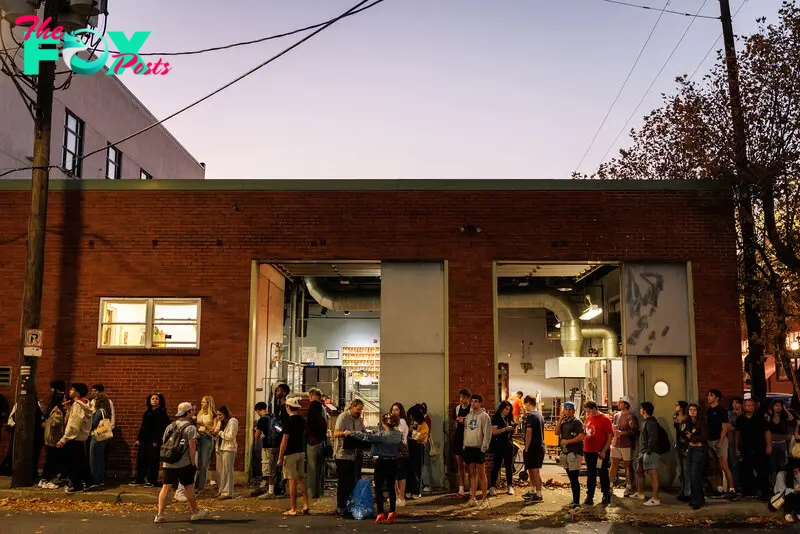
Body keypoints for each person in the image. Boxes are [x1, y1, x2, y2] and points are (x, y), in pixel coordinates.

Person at [154, 402, 208, 524]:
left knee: (165, 488)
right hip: (184, 463)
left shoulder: (170, 426)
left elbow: (164, 442)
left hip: (168, 463)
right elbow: (192, 447)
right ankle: (195, 513)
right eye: (191, 411)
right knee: (189, 487)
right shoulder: (191, 428)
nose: (193, 412)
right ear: (188, 413)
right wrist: (193, 462)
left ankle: (160, 515)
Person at [347, 412, 403, 524]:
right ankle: (392, 511)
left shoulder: (381, 436)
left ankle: (380, 512)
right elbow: (387, 436)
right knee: (391, 487)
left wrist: (351, 433)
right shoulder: (398, 434)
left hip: (382, 462)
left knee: (378, 488)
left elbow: (366, 437)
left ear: (384, 423)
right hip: (394, 461)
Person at [56, 383, 92, 493]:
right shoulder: (86, 404)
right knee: (81, 462)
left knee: (72, 464)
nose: (70, 391)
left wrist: (64, 439)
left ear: (77, 391)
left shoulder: (77, 405)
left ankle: (76, 485)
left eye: (72, 389)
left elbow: (74, 424)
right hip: (81, 438)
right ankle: (86, 482)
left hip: (74, 439)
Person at [333, 399, 366, 516]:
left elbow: (363, 432)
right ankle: (340, 506)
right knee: (344, 481)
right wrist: (345, 433)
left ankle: (351, 505)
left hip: (356, 454)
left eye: (361, 409)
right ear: (352, 407)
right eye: (358, 409)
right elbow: (335, 433)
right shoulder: (343, 417)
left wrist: (368, 434)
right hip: (343, 454)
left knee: (354, 481)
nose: (360, 412)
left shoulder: (360, 419)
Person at [278, 396, 309, 516]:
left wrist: (280, 457)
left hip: (290, 453)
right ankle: (305, 505)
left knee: (291, 481)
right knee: (301, 479)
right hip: (301, 451)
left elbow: (284, 440)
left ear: (287, 407)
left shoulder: (288, 422)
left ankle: (293, 508)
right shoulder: (302, 420)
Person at [735, 398, 771, 499]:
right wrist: (736, 448)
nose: (750, 407)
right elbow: (737, 434)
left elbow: (767, 431)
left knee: (762, 469)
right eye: (748, 405)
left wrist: (769, 445)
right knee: (746, 469)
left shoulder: (760, 418)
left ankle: (764, 491)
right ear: (744, 407)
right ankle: (748, 491)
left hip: (759, 446)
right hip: (746, 447)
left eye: (752, 405)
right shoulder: (740, 419)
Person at [133, 393, 169, 487]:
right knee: (142, 460)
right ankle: (140, 479)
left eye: (156, 399)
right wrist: (138, 439)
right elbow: (143, 426)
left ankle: (152, 480)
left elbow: (162, 428)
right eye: (152, 399)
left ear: (160, 401)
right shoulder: (148, 411)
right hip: (144, 440)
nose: (154, 400)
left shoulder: (161, 412)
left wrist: (157, 441)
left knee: (153, 461)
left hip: (154, 441)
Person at [462, 393, 491, 510]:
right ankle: (473, 498)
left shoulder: (484, 416)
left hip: (478, 448)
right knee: (471, 474)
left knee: (481, 474)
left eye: (476, 401)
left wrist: (483, 447)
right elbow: (466, 431)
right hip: (469, 447)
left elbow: (487, 433)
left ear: (480, 403)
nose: (473, 403)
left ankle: (484, 500)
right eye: (472, 401)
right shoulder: (468, 416)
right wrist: (465, 444)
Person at [706, 389, 736, 499]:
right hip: (710, 440)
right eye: (708, 395)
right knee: (715, 465)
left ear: (717, 397)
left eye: (711, 395)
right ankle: (719, 488)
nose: (709, 397)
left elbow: (725, 428)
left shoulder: (721, 411)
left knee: (724, 465)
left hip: (720, 440)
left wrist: (720, 441)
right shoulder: (709, 411)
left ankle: (732, 489)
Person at [583, 400, 613, 506]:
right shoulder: (589, 418)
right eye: (587, 412)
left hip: (600, 451)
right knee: (591, 474)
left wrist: (604, 450)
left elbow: (610, 436)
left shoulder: (605, 419)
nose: (588, 413)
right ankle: (590, 496)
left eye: (589, 411)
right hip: (589, 450)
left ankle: (606, 495)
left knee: (603, 473)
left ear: (594, 409)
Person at [555, 401, 585, 508]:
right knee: (571, 478)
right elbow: (556, 432)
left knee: (574, 478)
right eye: (565, 409)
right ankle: (574, 500)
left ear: (573, 411)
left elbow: (581, 436)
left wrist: (567, 442)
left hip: (574, 453)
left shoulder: (577, 422)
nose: (567, 411)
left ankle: (577, 502)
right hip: (565, 452)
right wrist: (560, 419)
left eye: (569, 409)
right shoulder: (564, 422)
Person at [40, 380, 68, 488]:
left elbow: (47, 415)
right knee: (53, 458)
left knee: (51, 457)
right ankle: (47, 479)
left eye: (51, 388)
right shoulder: (61, 401)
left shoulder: (56, 399)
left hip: (51, 435)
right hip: (56, 435)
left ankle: (45, 479)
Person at [610, 396, 639, 498]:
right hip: (616, 443)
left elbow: (634, 431)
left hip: (626, 444)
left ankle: (629, 486)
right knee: (614, 464)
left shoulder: (631, 416)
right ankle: (610, 485)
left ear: (626, 404)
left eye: (620, 403)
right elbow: (613, 426)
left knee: (627, 465)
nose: (618, 404)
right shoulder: (617, 415)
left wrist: (623, 433)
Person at [637, 401, 662, 507]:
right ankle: (640, 493)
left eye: (641, 408)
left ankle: (656, 498)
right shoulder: (647, 421)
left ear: (645, 410)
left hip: (650, 452)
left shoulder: (650, 422)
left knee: (653, 474)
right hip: (646, 451)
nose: (640, 410)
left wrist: (648, 450)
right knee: (640, 470)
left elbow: (653, 438)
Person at [489, 400, 516, 497]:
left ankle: (510, 485)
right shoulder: (496, 418)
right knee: (496, 466)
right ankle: (492, 487)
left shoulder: (509, 417)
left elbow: (513, 432)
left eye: (509, 410)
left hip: (508, 444)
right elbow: (494, 432)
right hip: (498, 444)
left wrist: (513, 427)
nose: (508, 411)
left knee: (509, 466)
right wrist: (506, 429)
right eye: (506, 409)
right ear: (501, 408)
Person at [681, 403, 706, 510]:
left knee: (695, 473)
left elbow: (703, 436)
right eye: (690, 409)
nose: (692, 411)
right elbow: (683, 434)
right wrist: (690, 439)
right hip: (690, 449)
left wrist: (692, 437)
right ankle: (698, 498)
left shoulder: (702, 423)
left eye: (694, 409)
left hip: (699, 450)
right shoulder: (687, 422)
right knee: (692, 475)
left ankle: (697, 500)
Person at [212, 405, 238, 499]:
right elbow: (217, 433)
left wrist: (219, 433)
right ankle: (221, 490)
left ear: (225, 414)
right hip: (220, 447)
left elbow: (230, 436)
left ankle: (227, 492)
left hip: (229, 448)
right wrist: (214, 433)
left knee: (227, 470)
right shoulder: (220, 422)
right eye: (217, 415)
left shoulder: (232, 421)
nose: (218, 417)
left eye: (220, 415)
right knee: (220, 471)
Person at [523, 395, 545, 503]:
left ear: (528, 403)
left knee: (535, 471)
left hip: (533, 448)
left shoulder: (531, 417)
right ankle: (532, 491)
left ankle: (539, 494)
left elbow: (529, 434)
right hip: (539, 446)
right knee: (532, 470)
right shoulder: (539, 415)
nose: (525, 406)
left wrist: (526, 448)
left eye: (525, 404)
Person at [306, 394, 328, 500]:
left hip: (312, 444)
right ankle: (320, 492)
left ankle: (311, 492)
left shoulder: (310, 419)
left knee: (312, 469)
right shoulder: (322, 420)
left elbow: (307, 430)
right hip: (321, 443)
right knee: (320, 469)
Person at [89, 393, 113, 489]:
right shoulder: (106, 411)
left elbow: (93, 424)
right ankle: (100, 479)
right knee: (100, 459)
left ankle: (95, 479)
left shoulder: (99, 411)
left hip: (96, 437)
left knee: (94, 459)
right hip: (103, 437)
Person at [766, 399, 794, 479]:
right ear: (773, 407)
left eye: (780, 406)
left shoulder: (784, 417)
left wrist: (786, 409)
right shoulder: (769, 418)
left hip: (782, 443)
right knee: (772, 465)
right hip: (772, 443)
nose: (778, 407)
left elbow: (792, 420)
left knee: (783, 465)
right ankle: (773, 484)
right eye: (776, 405)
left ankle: (783, 484)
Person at [452, 389, 471, 498]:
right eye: (460, 397)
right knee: (459, 464)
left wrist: (465, 421)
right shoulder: (457, 408)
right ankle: (461, 489)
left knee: (469, 465)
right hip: (458, 438)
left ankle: (471, 490)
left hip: (468, 438)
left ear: (468, 398)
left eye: (464, 397)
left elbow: (474, 424)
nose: (461, 399)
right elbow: (454, 423)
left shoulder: (472, 409)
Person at [195, 396, 216, 492]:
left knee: (204, 462)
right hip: (198, 437)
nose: (201, 403)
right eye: (201, 401)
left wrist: (205, 425)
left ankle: (201, 485)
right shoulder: (200, 413)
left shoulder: (213, 415)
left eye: (203, 402)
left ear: (208, 403)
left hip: (207, 438)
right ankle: (195, 483)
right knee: (196, 461)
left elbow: (214, 429)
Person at [391, 402, 409, 507]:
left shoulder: (401, 421)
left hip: (400, 450)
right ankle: (397, 496)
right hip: (394, 450)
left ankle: (401, 497)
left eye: (396, 409)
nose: (394, 411)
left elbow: (400, 436)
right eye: (393, 409)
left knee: (401, 475)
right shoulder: (393, 422)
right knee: (394, 475)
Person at [673, 401, 690, 502]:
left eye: (677, 405)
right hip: (679, 444)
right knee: (680, 470)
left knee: (687, 469)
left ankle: (687, 492)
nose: (676, 406)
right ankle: (682, 490)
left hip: (686, 444)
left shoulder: (687, 418)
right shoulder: (675, 417)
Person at [728, 397, 743, 493]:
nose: (735, 405)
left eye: (737, 403)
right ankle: (736, 484)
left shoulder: (744, 414)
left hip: (744, 440)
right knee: (734, 463)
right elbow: (729, 427)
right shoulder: (729, 414)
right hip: (732, 441)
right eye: (733, 403)